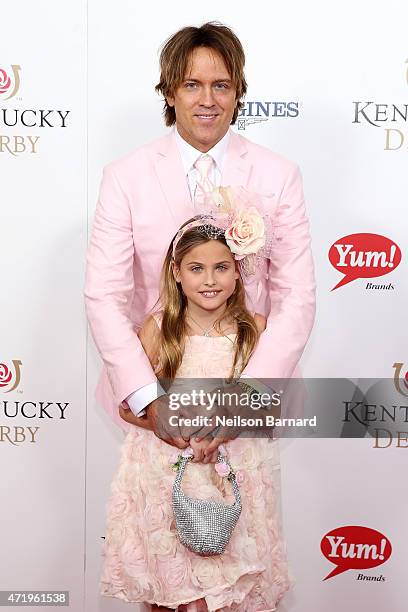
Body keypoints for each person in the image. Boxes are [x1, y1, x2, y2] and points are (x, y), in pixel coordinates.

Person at [84, 21, 316, 461]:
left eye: (221, 85)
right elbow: (103, 295)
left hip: (246, 391)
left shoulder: (278, 175)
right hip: (158, 390)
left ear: (237, 92)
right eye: (192, 84)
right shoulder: (125, 176)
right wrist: (148, 397)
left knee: (245, 527)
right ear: (170, 93)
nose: (207, 100)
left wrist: (244, 399)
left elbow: (296, 297)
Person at [100, 214, 292, 611]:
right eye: (196, 268)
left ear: (238, 272)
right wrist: (168, 426)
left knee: (223, 597)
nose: (209, 280)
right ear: (176, 272)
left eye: (221, 267)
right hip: (166, 474)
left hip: (232, 473)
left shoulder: (254, 330)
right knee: (169, 595)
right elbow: (129, 408)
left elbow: (270, 407)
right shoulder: (158, 329)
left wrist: (229, 425)